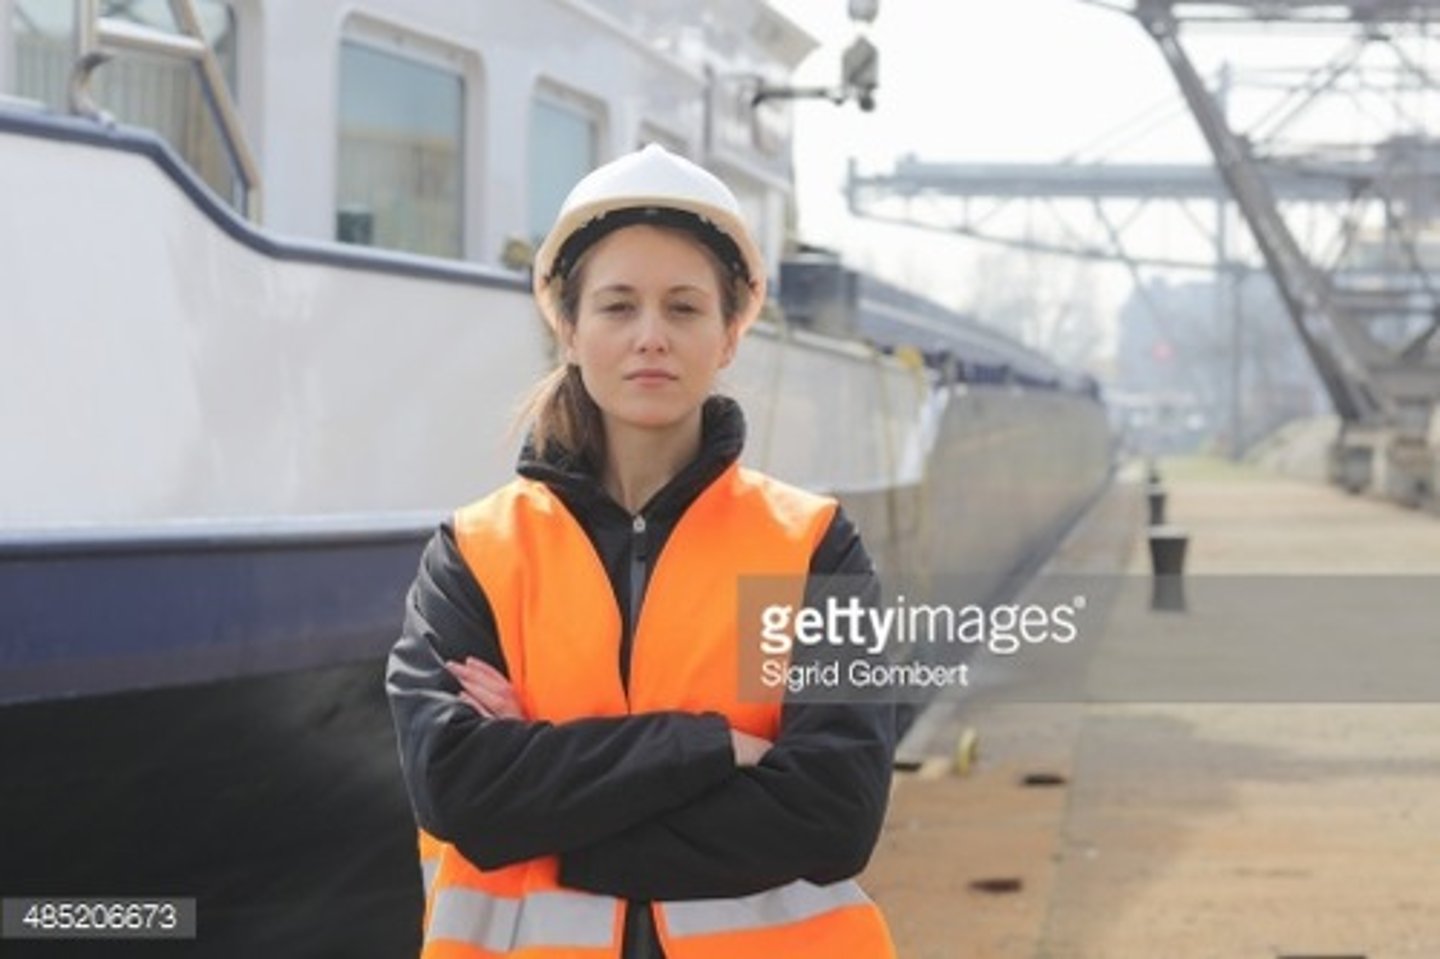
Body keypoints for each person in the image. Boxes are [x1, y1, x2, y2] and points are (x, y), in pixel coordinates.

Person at [386, 144, 897, 959]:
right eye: (618, 306)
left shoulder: (810, 547)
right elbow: (462, 790)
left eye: (685, 308)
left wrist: (554, 830)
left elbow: (836, 812)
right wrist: (715, 746)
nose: (650, 336)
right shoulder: (477, 552)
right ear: (569, 327)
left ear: (731, 333)